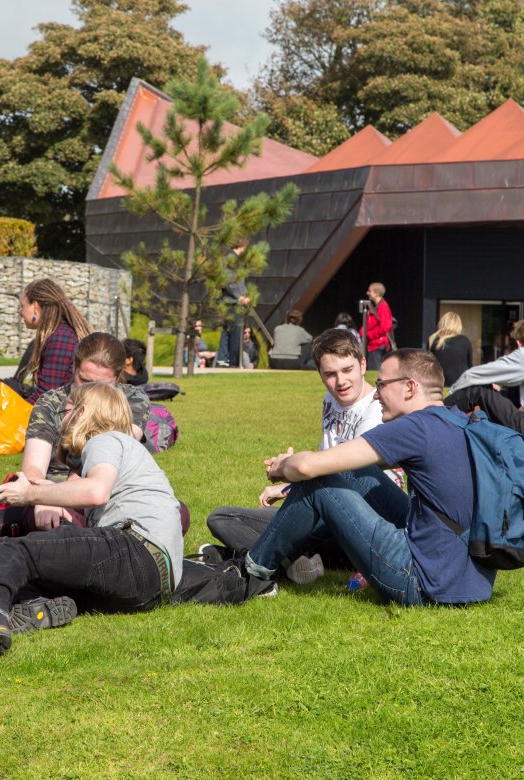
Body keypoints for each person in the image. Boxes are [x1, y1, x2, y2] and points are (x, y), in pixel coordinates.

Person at [0, 382, 184, 657]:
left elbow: (96, 492)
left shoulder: (106, 440)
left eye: (65, 411)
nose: (60, 420)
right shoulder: (126, 450)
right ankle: (37, 608)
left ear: (82, 413)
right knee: (33, 575)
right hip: (153, 587)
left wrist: (29, 494)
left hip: (133, 552)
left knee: (8, 549)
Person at [244, 349, 496, 606]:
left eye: (382, 384)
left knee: (320, 483)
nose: (376, 394)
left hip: (422, 581)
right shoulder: (456, 420)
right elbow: (342, 462)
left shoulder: (415, 427)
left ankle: (253, 573)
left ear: (409, 388)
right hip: (469, 578)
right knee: (351, 470)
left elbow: (308, 467)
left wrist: (281, 465)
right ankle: (289, 557)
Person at [204, 328, 402, 582]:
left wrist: (288, 469)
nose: (340, 381)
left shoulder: (377, 410)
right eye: (330, 374)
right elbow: (325, 464)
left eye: (347, 370)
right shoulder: (330, 400)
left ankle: (265, 563)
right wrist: (288, 486)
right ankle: (288, 562)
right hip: (322, 508)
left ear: (363, 365)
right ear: (319, 374)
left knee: (266, 529)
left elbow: (348, 472)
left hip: (363, 518)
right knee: (222, 518)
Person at [20, 331, 151, 530]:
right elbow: (33, 467)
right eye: (85, 380)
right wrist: (44, 498)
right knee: (54, 522)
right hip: (57, 495)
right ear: (74, 367)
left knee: (176, 514)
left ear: (118, 377)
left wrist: (79, 479)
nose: (90, 391)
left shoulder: (132, 400)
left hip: (111, 491)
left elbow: (120, 450)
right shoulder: (50, 403)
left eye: (101, 385)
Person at [445, 316, 524, 448]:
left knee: (478, 391)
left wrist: (453, 391)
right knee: (504, 393)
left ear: (519, 342)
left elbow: (474, 375)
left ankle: (432, 416)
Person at [5, 278, 91, 404]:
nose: (21, 313)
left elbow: (45, 398)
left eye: (23, 306)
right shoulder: (61, 334)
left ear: (35, 306)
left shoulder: (60, 339)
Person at [215, 239, 250, 367]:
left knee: (226, 330)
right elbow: (229, 282)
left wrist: (245, 294)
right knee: (235, 332)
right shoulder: (232, 259)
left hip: (232, 300)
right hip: (232, 301)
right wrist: (240, 297)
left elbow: (239, 282)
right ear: (242, 245)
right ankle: (233, 361)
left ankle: (222, 359)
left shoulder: (230, 258)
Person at [428, 312, 473, 386]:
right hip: (459, 385)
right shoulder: (465, 340)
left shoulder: (433, 339)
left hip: (438, 384)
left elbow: (428, 364)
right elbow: (470, 365)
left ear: (442, 323)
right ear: (458, 325)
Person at [359, 282, 394, 370]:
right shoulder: (377, 307)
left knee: (375, 370)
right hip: (374, 344)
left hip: (378, 344)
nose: (367, 293)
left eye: (370, 291)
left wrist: (367, 334)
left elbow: (385, 328)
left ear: (377, 293)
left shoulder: (383, 307)